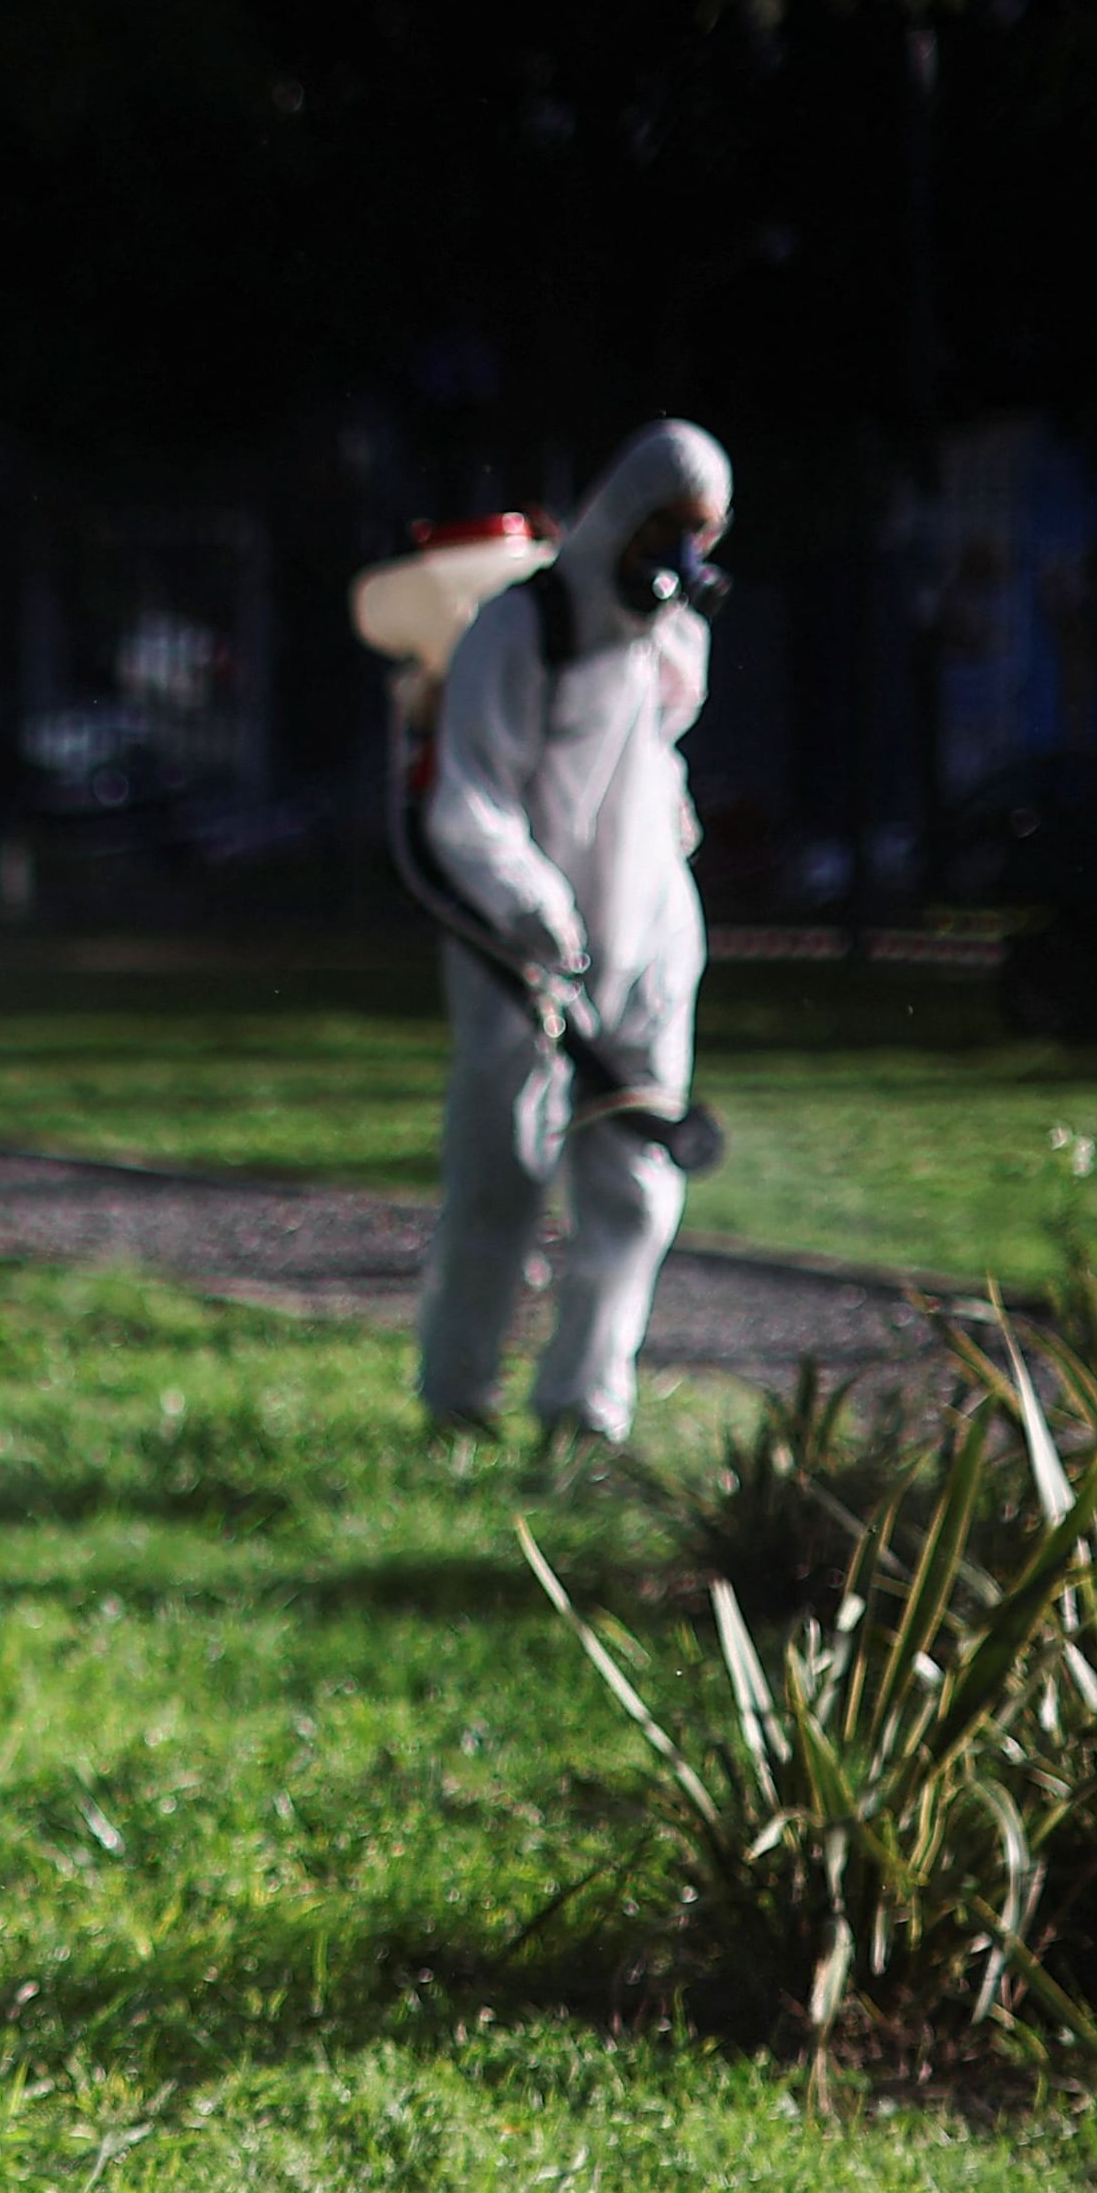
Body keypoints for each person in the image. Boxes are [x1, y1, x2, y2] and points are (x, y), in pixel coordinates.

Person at [413, 418, 735, 1449]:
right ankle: (456, 1399)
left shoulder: (672, 636)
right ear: (622, 520)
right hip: (521, 958)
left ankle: (583, 1413)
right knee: (498, 1178)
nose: (675, 555)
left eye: (698, 533)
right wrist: (530, 905)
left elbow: (647, 763)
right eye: (661, 528)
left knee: (635, 1192)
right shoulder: (521, 628)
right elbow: (464, 805)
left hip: (647, 948)